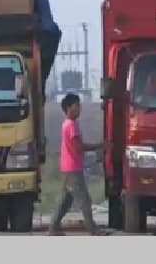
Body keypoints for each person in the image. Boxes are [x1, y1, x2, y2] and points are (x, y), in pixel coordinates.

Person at [48, 93, 105, 235]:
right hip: (73, 168)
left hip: (68, 167)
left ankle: (53, 227)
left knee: (66, 200)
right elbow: (77, 147)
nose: (79, 109)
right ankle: (93, 229)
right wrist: (100, 146)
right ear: (68, 108)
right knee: (84, 200)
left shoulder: (67, 124)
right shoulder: (71, 125)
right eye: (76, 106)